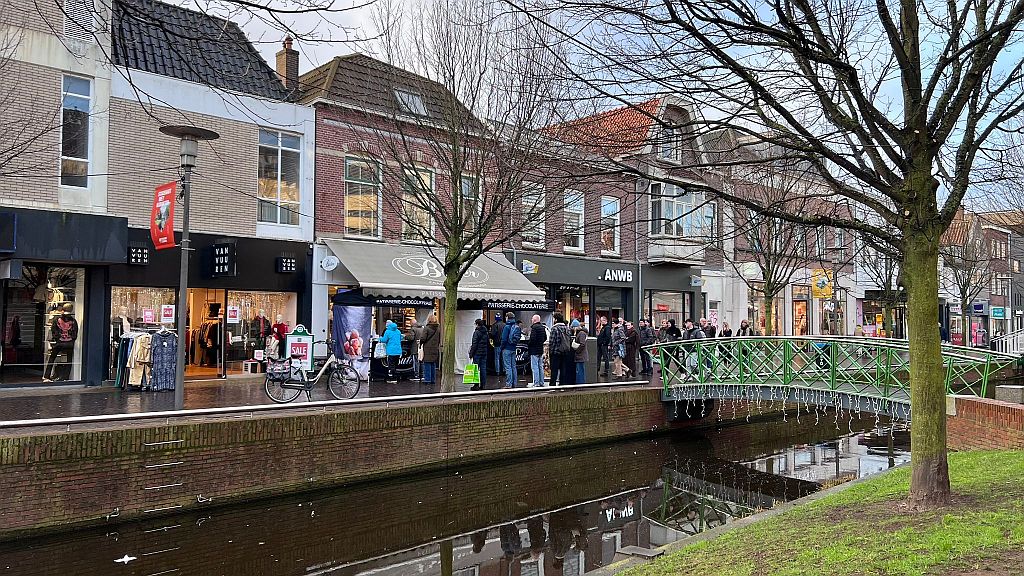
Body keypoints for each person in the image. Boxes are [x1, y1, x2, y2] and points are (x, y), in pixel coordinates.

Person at [548, 313, 572, 386]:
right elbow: (569, 339)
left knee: (554, 370)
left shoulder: (554, 328)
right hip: (565, 351)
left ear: (556, 319)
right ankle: (562, 384)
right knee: (563, 369)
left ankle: (552, 384)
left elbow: (552, 341)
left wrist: (550, 351)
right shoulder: (567, 328)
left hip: (556, 352)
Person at [499, 313, 521, 388]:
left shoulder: (507, 327)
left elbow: (504, 339)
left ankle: (508, 384)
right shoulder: (516, 326)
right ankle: (514, 383)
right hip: (513, 348)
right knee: (513, 366)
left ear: (507, 317)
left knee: (508, 367)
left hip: (506, 349)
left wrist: (501, 348)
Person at [468, 318, 489, 390]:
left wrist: (471, 354)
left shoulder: (476, 332)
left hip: (477, 353)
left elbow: (474, 344)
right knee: (483, 368)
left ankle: (476, 385)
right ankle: (483, 385)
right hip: (484, 352)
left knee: (476, 369)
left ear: (477, 324)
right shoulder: (485, 332)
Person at [420, 314, 440, 386]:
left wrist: (420, 342)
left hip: (427, 348)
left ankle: (427, 379)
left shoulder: (427, 328)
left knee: (427, 364)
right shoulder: (438, 328)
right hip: (435, 348)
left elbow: (423, 338)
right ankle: (433, 379)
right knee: (433, 364)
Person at [527, 314, 547, 387]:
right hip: (540, 349)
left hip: (534, 350)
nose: (531, 320)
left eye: (532, 319)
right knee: (540, 367)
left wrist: (529, 344)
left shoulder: (534, 328)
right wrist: (540, 343)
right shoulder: (542, 327)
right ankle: (541, 382)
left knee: (535, 367)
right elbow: (545, 337)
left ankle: (536, 383)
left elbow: (532, 339)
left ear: (535, 320)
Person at [489, 313, 506, 377]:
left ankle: (497, 371)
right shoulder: (505, 325)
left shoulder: (494, 325)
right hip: (504, 344)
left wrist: (489, 334)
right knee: (503, 358)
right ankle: (504, 370)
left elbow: (493, 334)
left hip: (497, 344)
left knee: (497, 358)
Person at [572, 319, 588, 384]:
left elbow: (582, 344)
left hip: (580, 355)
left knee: (580, 371)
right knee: (580, 370)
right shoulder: (582, 333)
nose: (572, 329)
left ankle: (580, 384)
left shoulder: (581, 333)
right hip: (581, 355)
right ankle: (580, 384)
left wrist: (577, 351)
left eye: (573, 327)